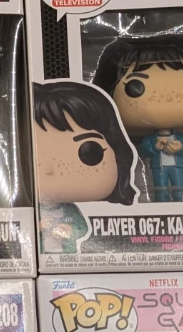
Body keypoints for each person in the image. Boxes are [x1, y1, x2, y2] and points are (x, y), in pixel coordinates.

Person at [98, 36, 183, 202]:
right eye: (136, 87)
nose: (170, 97)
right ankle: (161, 202)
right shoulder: (151, 139)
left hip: (177, 166)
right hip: (159, 167)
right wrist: (155, 147)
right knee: (161, 188)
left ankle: (182, 203)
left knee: (180, 187)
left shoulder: (180, 137)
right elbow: (144, 150)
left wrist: (180, 147)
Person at [32, 81, 136, 253]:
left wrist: (69, 230)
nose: (50, 168)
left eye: (90, 152)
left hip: (67, 256)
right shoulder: (32, 211)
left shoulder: (70, 211)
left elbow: (81, 227)